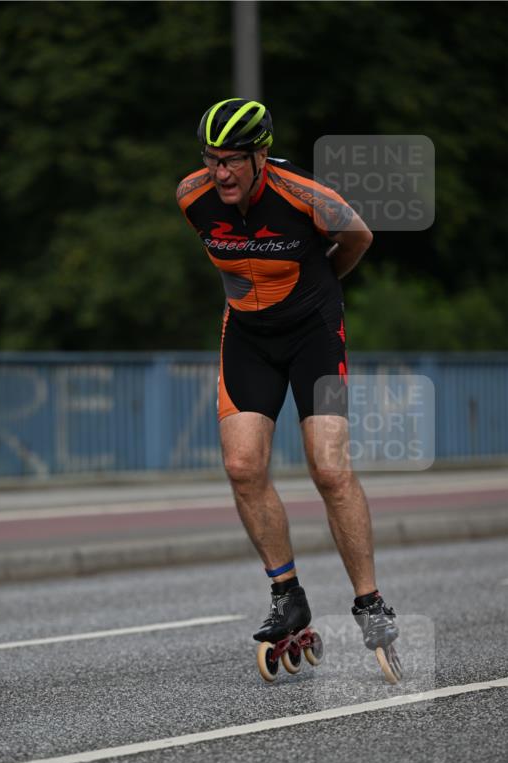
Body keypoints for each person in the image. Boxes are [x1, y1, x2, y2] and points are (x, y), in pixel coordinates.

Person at [176, 98, 399, 671]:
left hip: (313, 335)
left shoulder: (307, 196)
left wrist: (320, 285)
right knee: (243, 466)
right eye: (211, 159)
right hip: (248, 337)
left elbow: (359, 239)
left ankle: (369, 600)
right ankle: (287, 595)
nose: (218, 173)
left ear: (260, 155)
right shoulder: (191, 198)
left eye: (231, 161)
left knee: (328, 468)